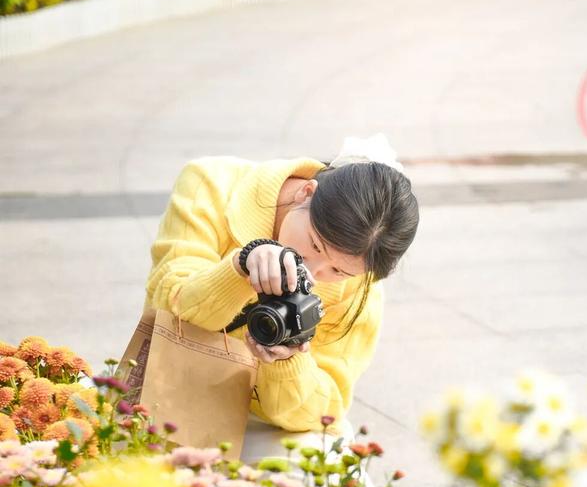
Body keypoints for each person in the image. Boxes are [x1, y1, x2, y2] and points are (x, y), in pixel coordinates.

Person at [144, 135, 419, 461]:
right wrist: (239, 268)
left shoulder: (361, 285)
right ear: (307, 192)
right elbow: (168, 300)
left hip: (267, 421)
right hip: (174, 393)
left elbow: (324, 410)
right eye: (316, 245)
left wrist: (288, 361)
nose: (314, 272)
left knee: (318, 467)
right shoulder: (212, 184)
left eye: (338, 271)